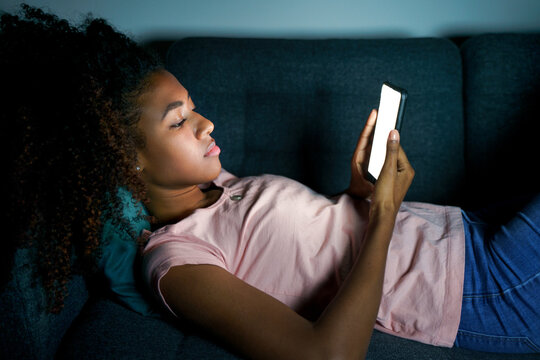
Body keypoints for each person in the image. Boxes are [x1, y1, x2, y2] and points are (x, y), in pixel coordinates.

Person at [2, 5, 539, 359]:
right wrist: (382, 215)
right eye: (178, 120)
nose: (205, 123)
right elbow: (326, 356)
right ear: (127, 162)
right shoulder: (176, 262)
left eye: (194, 107)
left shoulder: (216, 187)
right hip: (473, 282)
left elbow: (306, 248)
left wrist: (359, 191)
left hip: (466, 229)